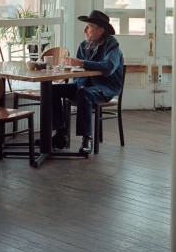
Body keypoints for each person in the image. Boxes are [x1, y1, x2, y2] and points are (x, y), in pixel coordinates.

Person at [50, 10, 123, 153]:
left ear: (101, 30)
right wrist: (81, 83)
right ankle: (60, 133)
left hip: (105, 88)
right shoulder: (84, 44)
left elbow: (108, 68)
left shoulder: (112, 45)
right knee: (52, 90)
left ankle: (86, 138)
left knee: (84, 93)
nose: (84, 30)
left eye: (89, 26)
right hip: (85, 86)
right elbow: (79, 73)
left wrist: (82, 63)